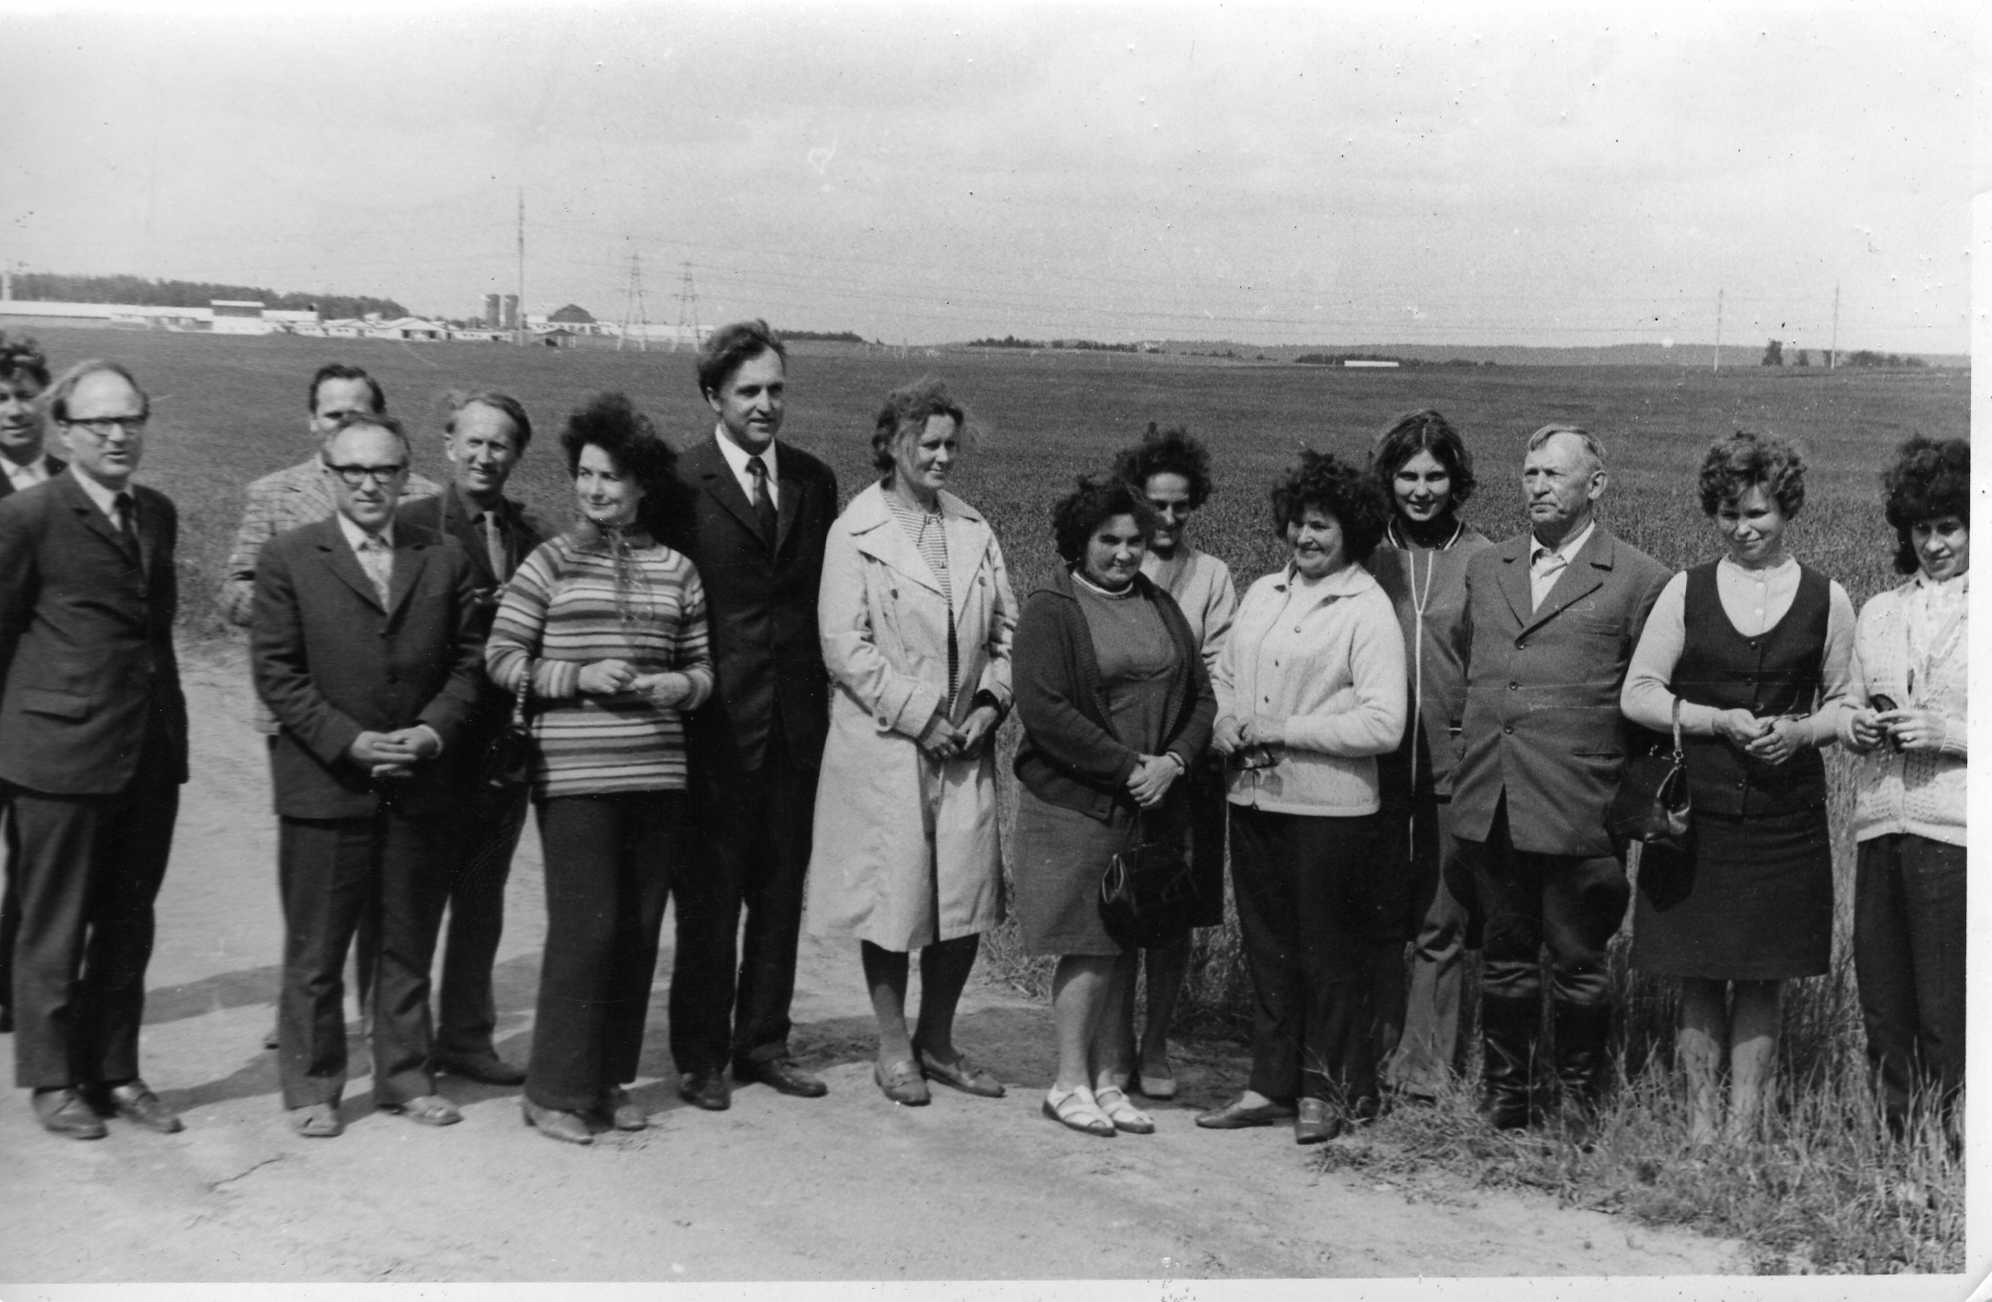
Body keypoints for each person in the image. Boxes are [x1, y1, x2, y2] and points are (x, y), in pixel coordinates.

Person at [485, 393, 713, 1145]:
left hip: (657, 777)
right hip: (576, 779)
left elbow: (701, 670)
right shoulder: (548, 562)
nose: (594, 490)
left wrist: (681, 687)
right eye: (585, 474)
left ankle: (608, 1082)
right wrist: (578, 678)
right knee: (586, 929)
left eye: (611, 477)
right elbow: (502, 659)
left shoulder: (678, 571)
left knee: (638, 932)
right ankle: (552, 1089)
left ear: (642, 484)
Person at [250, 411, 484, 1138]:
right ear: (328, 475)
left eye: (384, 470)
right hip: (327, 783)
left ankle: (406, 1076)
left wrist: (431, 731)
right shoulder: (289, 557)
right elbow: (277, 673)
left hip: (416, 782)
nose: (369, 484)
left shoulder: (442, 556)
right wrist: (348, 742)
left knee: (406, 940)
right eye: (352, 470)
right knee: (317, 948)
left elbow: (471, 663)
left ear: (405, 473)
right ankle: (314, 1086)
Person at [1621, 431, 1853, 1143]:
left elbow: (1848, 703)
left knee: (1763, 975)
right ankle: (1698, 1127)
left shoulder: (1827, 598)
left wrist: (1803, 732)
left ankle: (1744, 1131)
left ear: (1786, 509)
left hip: (1786, 821)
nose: (1743, 528)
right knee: (1695, 971)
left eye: (1757, 513)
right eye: (1728, 514)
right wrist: (1714, 719)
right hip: (1697, 817)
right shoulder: (1684, 591)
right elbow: (1639, 694)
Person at [1447, 424, 1669, 1132]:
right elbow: (1466, 664)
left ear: (1595, 485)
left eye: (1554, 474)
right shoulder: (1489, 568)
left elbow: (1649, 706)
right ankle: (1508, 1097)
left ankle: (1578, 1104)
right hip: (1495, 799)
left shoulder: (1639, 578)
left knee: (1579, 962)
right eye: (1529, 472)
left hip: (1582, 809)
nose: (1537, 486)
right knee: (1506, 957)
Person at [806, 379, 1017, 1106]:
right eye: (927, 443)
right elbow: (844, 646)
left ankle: (939, 1039)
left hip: (964, 747)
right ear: (892, 445)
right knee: (893, 897)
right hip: (889, 745)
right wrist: (922, 715)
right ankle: (893, 1045)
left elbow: (1006, 633)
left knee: (962, 899)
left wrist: (990, 704)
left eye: (951, 444)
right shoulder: (854, 531)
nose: (941, 457)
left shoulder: (974, 529)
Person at [219, 363, 439, 1049]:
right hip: (307, 716)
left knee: (394, 873)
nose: (342, 424)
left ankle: (382, 1011)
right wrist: (305, 609)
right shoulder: (275, 494)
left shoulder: (422, 496)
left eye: (358, 412)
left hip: (396, 717)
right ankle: (305, 1013)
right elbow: (233, 592)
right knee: (317, 874)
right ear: (311, 421)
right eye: (331, 414)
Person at [0, 360, 188, 1139]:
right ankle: (52, 1080)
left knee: (128, 919)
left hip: (146, 751)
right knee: (54, 920)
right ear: (66, 431)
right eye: (99, 422)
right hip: (58, 755)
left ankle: (115, 1070)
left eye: (131, 419)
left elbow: (155, 629)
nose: (118, 435)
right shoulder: (30, 516)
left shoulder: (158, 513)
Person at [1199, 450, 1406, 1143]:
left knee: (1327, 952)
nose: (1304, 538)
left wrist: (1286, 729)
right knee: (1267, 949)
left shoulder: (1366, 608)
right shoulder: (1264, 593)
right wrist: (1226, 720)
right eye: (1297, 523)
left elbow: (1384, 722)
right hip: (1254, 801)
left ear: (1351, 531)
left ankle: (1324, 1089)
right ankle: (1268, 1084)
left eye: (1320, 526)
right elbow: (1224, 674)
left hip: (1331, 812)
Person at [660, 320, 838, 1110]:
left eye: (775, 390)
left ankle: (763, 1042)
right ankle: (699, 1056)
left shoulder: (812, 480)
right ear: (713, 397)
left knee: (777, 893)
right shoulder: (677, 483)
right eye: (748, 392)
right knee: (709, 897)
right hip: (713, 730)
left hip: (797, 728)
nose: (766, 405)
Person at [1012, 474, 1214, 1138]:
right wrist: (1129, 767)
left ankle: (1106, 1081)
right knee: (1088, 943)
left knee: (1122, 940)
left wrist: (1174, 761)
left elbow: (1201, 698)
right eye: (1109, 541)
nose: (1125, 554)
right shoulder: (1053, 608)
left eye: (1134, 541)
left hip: (1147, 801)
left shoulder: (1157, 601)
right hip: (1079, 805)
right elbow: (1047, 714)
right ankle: (1068, 1082)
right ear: (1080, 542)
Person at [399, 391, 552, 1087]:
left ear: (516, 456)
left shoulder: (535, 536)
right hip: (430, 743)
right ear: (447, 444)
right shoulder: (408, 526)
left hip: (501, 751)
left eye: (501, 445)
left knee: (481, 901)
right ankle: (400, 1047)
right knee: (412, 901)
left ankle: (466, 1035)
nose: (485, 456)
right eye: (473, 441)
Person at [1837, 436, 1968, 1142]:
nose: (1935, 544)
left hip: (1955, 833)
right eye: (1922, 529)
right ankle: (1896, 1139)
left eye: (1949, 526)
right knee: (1885, 997)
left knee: (1947, 1001)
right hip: (1881, 824)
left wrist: (1945, 732)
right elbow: (1853, 702)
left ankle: (1954, 1147)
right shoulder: (1880, 609)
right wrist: (1858, 727)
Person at [1106, 424, 1236, 1101]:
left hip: (1187, 769)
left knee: (1172, 918)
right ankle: (1115, 1046)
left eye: (1183, 505)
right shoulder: (1113, 561)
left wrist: (1177, 758)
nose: (1170, 518)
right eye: (1158, 503)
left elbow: (1218, 675)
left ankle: (1154, 1046)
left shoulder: (1212, 575)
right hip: (1120, 769)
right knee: (1119, 909)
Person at [1366, 410, 1492, 1103]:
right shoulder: (1365, 552)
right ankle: (1373, 1053)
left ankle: (1427, 1072)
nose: (1420, 489)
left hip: (1452, 764)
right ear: (1389, 478)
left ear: (1456, 480)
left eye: (1435, 475)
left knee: (1442, 919)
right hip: (1375, 763)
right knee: (1383, 913)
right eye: (1407, 475)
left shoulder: (1486, 558)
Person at [0, 333, 60, 1038]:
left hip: (40, 707)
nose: (14, 410)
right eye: (2, 397)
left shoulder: (66, 486)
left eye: (25, 395)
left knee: (37, 852)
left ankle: (15, 988)